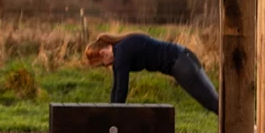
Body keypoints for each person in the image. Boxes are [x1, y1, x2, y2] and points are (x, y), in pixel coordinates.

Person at [84, 32, 218, 114]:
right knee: (213, 100)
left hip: (181, 63)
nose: (107, 66)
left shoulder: (121, 54)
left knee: (212, 102)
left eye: (102, 64)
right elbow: (116, 87)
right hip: (183, 57)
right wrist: (111, 110)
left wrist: (115, 116)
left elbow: (121, 90)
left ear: (103, 53)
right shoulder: (120, 49)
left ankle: (233, 129)